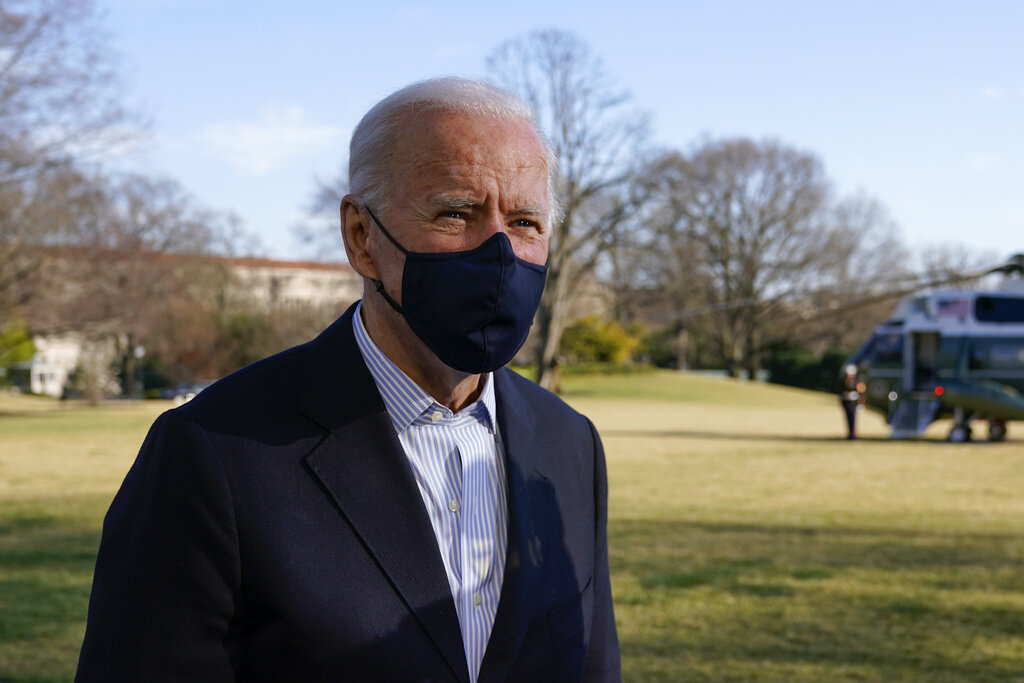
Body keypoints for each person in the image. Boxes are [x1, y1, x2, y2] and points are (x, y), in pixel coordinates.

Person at [75, 77, 620, 682]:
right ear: (362, 238)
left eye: (524, 222)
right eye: (455, 213)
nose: (496, 252)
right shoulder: (214, 453)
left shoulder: (571, 445)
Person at [840, 364, 865, 440]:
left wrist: (861, 404)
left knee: (853, 419)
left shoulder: (858, 381)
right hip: (846, 402)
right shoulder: (843, 381)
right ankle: (849, 434)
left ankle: (853, 435)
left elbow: (861, 393)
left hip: (853, 402)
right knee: (848, 418)